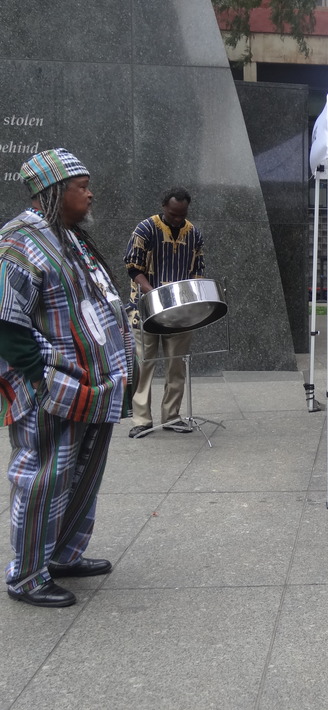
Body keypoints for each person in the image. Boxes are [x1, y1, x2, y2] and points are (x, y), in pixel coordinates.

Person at [0, 148, 134, 608]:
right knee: (44, 479)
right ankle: (27, 576)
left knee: (82, 475)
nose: (90, 194)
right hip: (53, 388)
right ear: (53, 192)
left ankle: (61, 555)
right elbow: (6, 321)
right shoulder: (18, 243)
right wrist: (40, 379)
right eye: (82, 187)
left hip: (92, 388)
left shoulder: (71, 237)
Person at [123, 188, 205, 438]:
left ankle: (171, 416)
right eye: (173, 214)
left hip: (180, 312)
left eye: (182, 214)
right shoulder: (145, 229)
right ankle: (141, 420)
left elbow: (197, 271)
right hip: (145, 309)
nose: (178, 219)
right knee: (143, 365)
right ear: (163, 207)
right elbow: (133, 268)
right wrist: (155, 294)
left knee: (176, 366)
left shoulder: (194, 234)